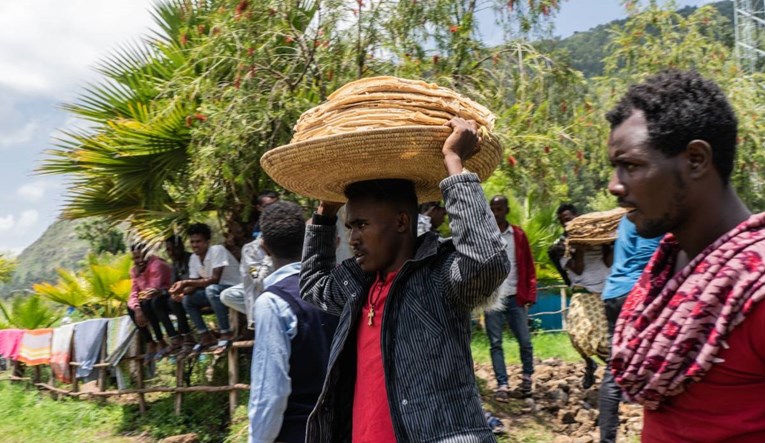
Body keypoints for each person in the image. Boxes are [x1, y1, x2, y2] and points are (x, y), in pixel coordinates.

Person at [301, 117, 510, 442]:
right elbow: (313, 284)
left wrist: (454, 162)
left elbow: (486, 261)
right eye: (350, 226)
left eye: (362, 225)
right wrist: (325, 212)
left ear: (401, 222)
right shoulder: (358, 285)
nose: (353, 238)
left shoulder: (439, 276)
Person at [607, 70, 765, 442]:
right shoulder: (664, 270)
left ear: (695, 159)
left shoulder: (756, 289)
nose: (614, 185)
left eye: (631, 165)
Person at [248, 201, 338, 443]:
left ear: (265, 248)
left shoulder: (273, 303)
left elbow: (271, 392)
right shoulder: (333, 290)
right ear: (305, 240)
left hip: (298, 432)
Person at [598, 216, 661, 443]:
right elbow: (647, 257)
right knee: (654, 364)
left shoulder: (628, 218)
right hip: (634, 293)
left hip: (613, 292)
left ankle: (607, 439)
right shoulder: (649, 217)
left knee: (613, 369)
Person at [484, 195, 536, 401]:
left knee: (525, 340)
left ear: (506, 210)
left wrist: (530, 293)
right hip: (492, 299)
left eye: (499, 209)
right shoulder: (485, 235)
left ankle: (527, 378)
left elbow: (528, 266)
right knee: (495, 342)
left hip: (515, 296)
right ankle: (502, 385)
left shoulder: (518, 235)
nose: (496, 213)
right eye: (493, 209)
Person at [557, 208, 613, 390]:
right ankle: (590, 363)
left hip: (603, 292)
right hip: (582, 293)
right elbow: (578, 269)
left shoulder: (599, 237)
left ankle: (613, 374)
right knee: (576, 335)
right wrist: (578, 249)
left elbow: (609, 262)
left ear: (579, 219)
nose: (567, 223)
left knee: (603, 341)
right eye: (563, 221)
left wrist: (608, 242)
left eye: (569, 219)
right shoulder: (561, 246)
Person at [169, 223, 242, 354]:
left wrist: (185, 283)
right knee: (187, 300)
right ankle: (205, 336)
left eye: (198, 241)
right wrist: (180, 292)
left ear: (207, 241)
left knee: (211, 289)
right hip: (215, 294)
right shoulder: (193, 258)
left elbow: (215, 279)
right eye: (192, 242)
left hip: (235, 289)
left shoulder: (217, 250)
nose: (195, 245)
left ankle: (225, 333)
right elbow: (194, 283)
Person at [221, 191, 279, 324]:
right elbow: (257, 280)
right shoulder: (250, 250)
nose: (275, 211)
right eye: (269, 207)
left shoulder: (294, 238)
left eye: (277, 206)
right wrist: (269, 256)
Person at [126, 244, 176, 362]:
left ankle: (160, 340)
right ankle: (150, 342)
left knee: (149, 302)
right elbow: (134, 293)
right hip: (149, 299)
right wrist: (137, 309)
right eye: (135, 258)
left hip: (165, 297)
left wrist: (141, 276)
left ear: (148, 255)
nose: (138, 261)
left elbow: (153, 289)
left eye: (140, 257)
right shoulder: (135, 270)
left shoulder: (157, 265)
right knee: (130, 307)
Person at [161, 235, 196, 356]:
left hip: (195, 292)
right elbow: (173, 285)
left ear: (180, 247)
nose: (171, 253)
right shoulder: (175, 264)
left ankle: (187, 337)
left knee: (174, 301)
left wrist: (181, 293)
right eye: (168, 250)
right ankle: (175, 338)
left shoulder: (192, 258)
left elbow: (196, 281)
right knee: (156, 302)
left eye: (174, 249)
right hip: (182, 294)